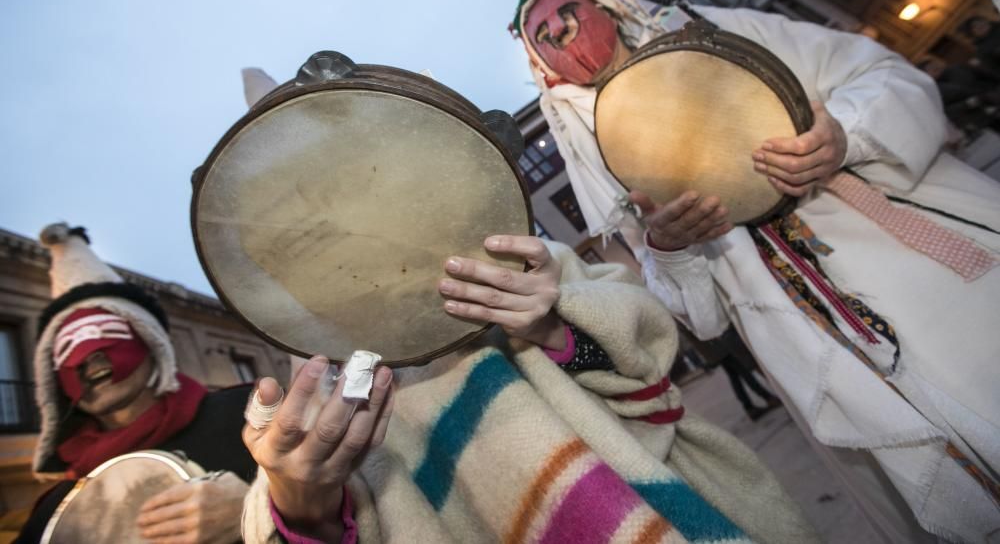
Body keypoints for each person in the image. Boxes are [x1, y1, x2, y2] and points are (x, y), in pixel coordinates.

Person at [510, 0, 1000, 543]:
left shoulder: (719, 31)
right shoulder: (597, 153)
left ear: (605, 4)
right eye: (540, 33)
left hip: (914, 262)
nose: (560, 31)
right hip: (805, 338)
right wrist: (669, 249)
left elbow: (886, 74)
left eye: (565, 11)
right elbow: (701, 315)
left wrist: (847, 136)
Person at [238, 234, 817, 543]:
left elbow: (651, 373)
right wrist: (301, 505)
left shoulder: (518, 263)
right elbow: (284, 516)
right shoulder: (319, 387)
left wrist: (552, 322)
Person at [15, 223, 255, 544]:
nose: (88, 358)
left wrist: (261, 512)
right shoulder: (55, 511)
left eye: (105, 332)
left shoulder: (253, 419)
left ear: (149, 340)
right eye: (68, 347)